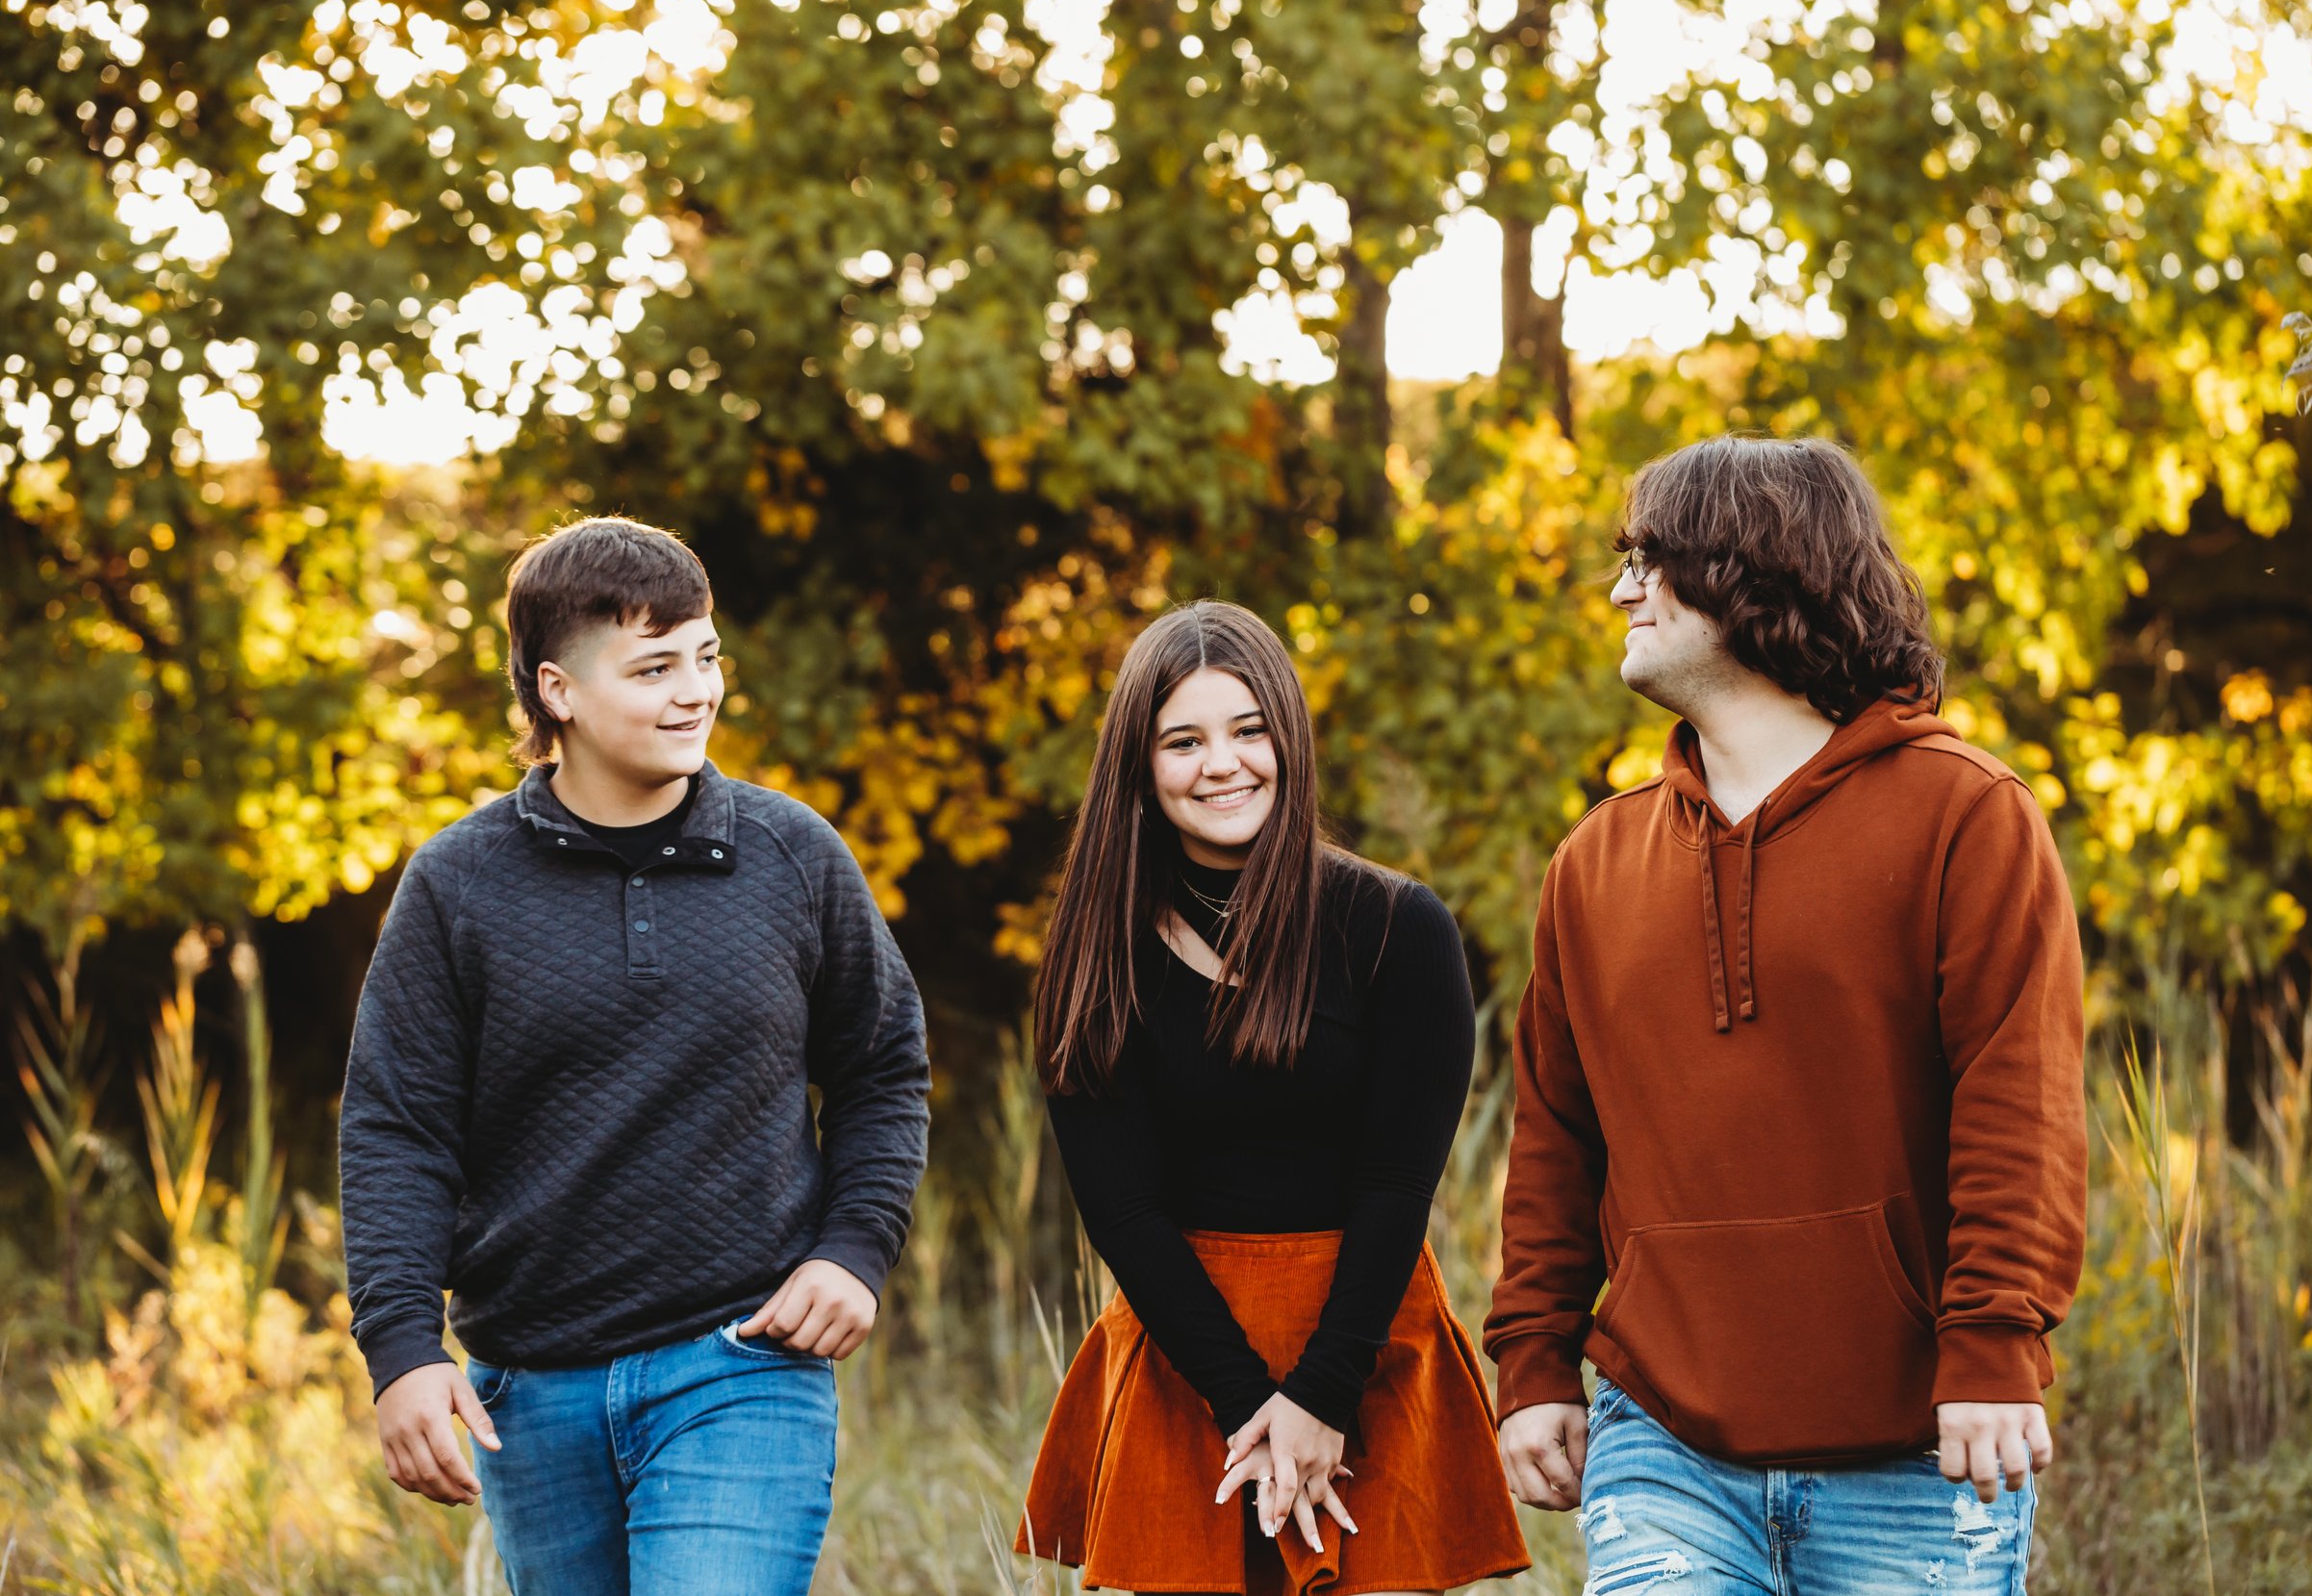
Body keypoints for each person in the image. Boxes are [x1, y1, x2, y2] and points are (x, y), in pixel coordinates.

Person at [1484, 436, 2086, 1593]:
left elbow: (2022, 1106)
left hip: (1918, 1452)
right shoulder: (1593, 860)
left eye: (1648, 562)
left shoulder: (1967, 816)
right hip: (1660, 1450)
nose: (1620, 591)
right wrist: (1534, 1361)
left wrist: (1994, 1346)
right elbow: (1555, 1134)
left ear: (1754, 570)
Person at [340, 516, 930, 1596]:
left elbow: (883, 1066)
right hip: (530, 1389)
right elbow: (396, 1128)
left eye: (705, 656)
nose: (695, 689)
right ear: (557, 690)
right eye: (655, 665)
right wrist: (402, 1350)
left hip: (743, 1363)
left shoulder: (794, 856)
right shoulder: (456, 884)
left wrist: (853, 1247)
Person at [1017, 600, 1528, 1596]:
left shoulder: (1394, 927)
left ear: (1287, 737)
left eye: (1249, 729)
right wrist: (1252, 1399)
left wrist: (1324, 1392)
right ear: (1139, 763)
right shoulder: (1095, 951)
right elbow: (1122, 1210)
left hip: (1366, 1336)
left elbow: (1396, 1181)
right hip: (1186, 1350)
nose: (1224, 763)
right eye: (1184, 739)